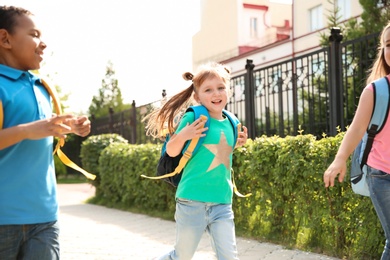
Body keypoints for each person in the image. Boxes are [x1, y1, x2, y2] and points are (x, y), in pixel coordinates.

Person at [0, 5, 91, 259]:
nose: (43, 44)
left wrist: (70, 127)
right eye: (34, 34)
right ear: (5, 39)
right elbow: (30, 130)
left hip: (45, 217)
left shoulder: (42, 86)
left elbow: (41, 130)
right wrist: (31, 129)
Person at [143, 62, 248, 260]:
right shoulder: (195, 117)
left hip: (222, 202)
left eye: (220, 88)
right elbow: (172, 151)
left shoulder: (232, 122)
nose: (216, 94)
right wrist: (184, 135)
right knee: (182, 256)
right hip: (191, 201)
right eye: (208, 90)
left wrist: (237, 144)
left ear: (228, 91)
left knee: (229, 257)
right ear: (197, 96)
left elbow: (219, 152)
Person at [323, 22, 390, 260]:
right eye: (388, 45)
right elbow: (357, 128)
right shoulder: (376, 91)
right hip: (382, 175)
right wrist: (339, 159)